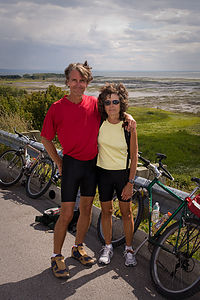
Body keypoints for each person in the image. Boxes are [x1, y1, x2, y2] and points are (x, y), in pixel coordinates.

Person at [41, 61, 136, 279]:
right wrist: (58, 161)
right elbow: (45, 138)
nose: (78, 84)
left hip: (92, 165)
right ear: (67, 82)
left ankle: (78, 247)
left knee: (85, 210)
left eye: (82, 80)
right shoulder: (57, 107)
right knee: (66, 213)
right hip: (71, 164)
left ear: (87, 82)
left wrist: (129, 117)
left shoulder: (95, 104)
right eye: (74, 80)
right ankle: (56, 256)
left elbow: (116, 113)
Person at [97, 82, 138, 267]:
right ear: (103, 105)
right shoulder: (98, 121)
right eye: (107, 102)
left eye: (115, 101)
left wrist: (130, 182)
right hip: (103, 173)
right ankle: (108, 247)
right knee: (106, 211)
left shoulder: (128, 125)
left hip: (122, 175)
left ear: (121, 103)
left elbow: (134, 155)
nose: (111, 105)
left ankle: (129, 249)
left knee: (126, 213)